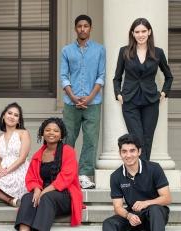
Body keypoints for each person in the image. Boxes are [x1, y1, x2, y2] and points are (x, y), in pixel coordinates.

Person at [113, 18, 174, 161]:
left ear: (149, 32)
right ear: (132, 33)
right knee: (136, 138)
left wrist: (163, 93)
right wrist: (118, 94)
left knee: (147, 138)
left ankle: (144, 173)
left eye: (144, 31)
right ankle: (144, 173)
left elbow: (169, 76)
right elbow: (117, 77)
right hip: (129, 100)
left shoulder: (158, 53)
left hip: (151, 100)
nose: (141, 35)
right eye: (137, 32)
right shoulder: (124, 51)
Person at [60, 14, 106, 189]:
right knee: (67, 139)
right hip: (71, 103)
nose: (82, 29)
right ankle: (67, 174)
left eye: (86, 26)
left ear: (90, 28)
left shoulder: (100, 50)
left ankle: (85, 175)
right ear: (75, 28)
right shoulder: (67, 51)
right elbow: (64, 76)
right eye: (79, 26)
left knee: (90, 140)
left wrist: (89, 97)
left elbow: (101, 76)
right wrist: (73, 97)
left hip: (93, 102)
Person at [15, 117, 83, 231]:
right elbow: (31, 177)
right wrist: (37, 189)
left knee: (47, 197)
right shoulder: (38, 155)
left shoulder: (68, 151)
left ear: (61, 135)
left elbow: (66, 178)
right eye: (48, 130)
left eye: (56, 131)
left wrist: (43, 192)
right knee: (27, 198)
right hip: (44, 192)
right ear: (42, 133)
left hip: (65, 194)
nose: (51, 133)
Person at [102, 134, 171, 231]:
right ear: (120, 153)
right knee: (109, 223)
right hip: (134, 215)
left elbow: (167, 198)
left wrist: (146, 203)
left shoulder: (154, 168)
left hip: (155, 215)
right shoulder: (115, 176)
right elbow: (117, 207)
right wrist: (129, 216)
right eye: (124, 151)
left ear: (139, 151)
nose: (128, 155)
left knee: (155, 209)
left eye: (132, 150)